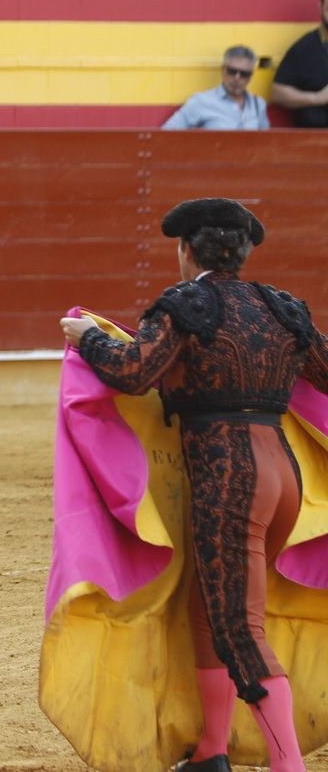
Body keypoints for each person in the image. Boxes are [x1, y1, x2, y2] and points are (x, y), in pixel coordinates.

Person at [60, 198, 324, 772]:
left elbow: (133, 373)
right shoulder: (281, 308)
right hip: (283, 476)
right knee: (213, 610)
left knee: (238, 627)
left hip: (229, 477)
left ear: (185, 252)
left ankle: (289, 767)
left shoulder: (184, 305)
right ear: (245, 253)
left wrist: (87, 339)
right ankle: (212, 751)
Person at [162, 46, 269, 128]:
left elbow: (267, 143)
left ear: (250, 76)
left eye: (244, 74)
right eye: (232, 71)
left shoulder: (258, 104)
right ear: (223, 69)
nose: (237, 78)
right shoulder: (202, 101)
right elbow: (168, 132)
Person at [271, 0, 328, 127]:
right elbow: (277, 93)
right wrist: (316, 98)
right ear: (320, 7)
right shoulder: (304, 48)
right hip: (313, 139)